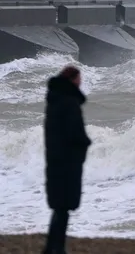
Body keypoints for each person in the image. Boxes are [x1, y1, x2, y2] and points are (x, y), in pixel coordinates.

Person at [42, 65, 92, 254]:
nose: (81, 82)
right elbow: (74, 133)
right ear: (72, 80)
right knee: (63, 208)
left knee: (59, 208)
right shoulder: (70, 103)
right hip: (67, 162)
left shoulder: (55, 101)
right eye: (79, 78)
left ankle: (52, 247)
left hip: (56, 160)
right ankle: (57, 248)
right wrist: (85, 143)